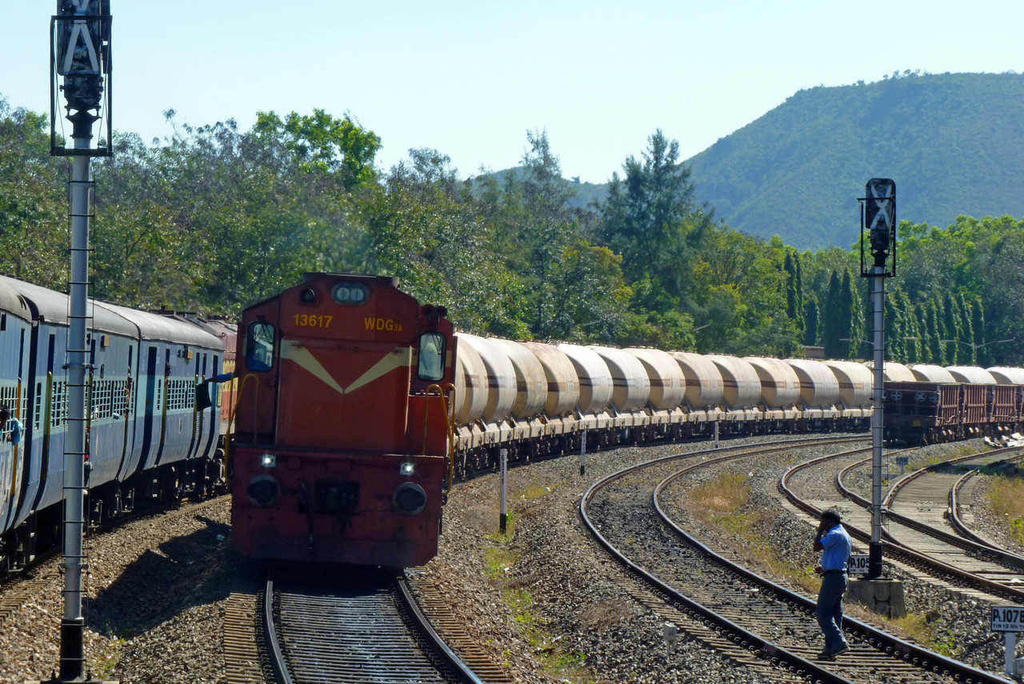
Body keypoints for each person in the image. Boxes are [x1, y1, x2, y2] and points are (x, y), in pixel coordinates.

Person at [814, 509, 851, 658]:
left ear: (829, 521)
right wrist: (825, 568)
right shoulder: (845, 534)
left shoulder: (834, 534)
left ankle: (839, 642)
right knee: (835, 614)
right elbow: (838, 557)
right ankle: (830, 649)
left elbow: (816, 547)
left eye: (823, 522)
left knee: (822, 613)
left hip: (833, 579)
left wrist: (819, 531)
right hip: (840, 576)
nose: (822, 525)